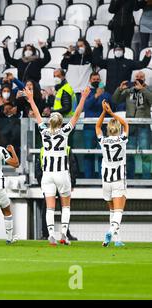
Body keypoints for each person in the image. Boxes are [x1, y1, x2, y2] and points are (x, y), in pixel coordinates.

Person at [25, 85, 91, 246]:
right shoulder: (65, 131)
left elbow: (38, 116)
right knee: (66, 206)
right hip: (62, 173)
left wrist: (31, 99)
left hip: (47, 174)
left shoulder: (43, 131)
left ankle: (50, 235)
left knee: (50, 207)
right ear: (61, 122)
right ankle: (64, 235)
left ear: (50, 122)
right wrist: (82, 98)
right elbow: (76, 115)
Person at [96, 100, 129, 247]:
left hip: (106, 180)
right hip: (118, 178)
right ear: (118, 129)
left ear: (108, 129)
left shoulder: (103, 140)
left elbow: (97, 126)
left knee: (112, 210)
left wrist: (103, 112)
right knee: (119, 210)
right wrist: (111, 112)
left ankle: (116, 239)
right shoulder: (122, 139)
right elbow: (126, 124)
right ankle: (110, 231)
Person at [112, 71, 152, 179]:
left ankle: (146, 180)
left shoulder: (148, 89)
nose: (139, 78)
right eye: (137, 77)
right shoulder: (129, 91)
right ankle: (129, 179)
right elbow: (115, 100)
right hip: (131, 126)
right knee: (129, 154)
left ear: (145, 79)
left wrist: (142, 89)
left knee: (146, 154)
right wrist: (119, 89)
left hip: (144, 126)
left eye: (141, 77)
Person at [83, 72, 111, 179]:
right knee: (88, 153)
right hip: (89, 128)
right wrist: (96, 96)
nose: (96, 81)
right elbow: (86, 106)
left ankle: (102, 178)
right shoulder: (86, 92)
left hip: (102, 128)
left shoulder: (106, 94)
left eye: (97, 79)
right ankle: (87, 179)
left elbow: (111, 108)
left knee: (102, 153)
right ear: (90, 81)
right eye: (93, 79)